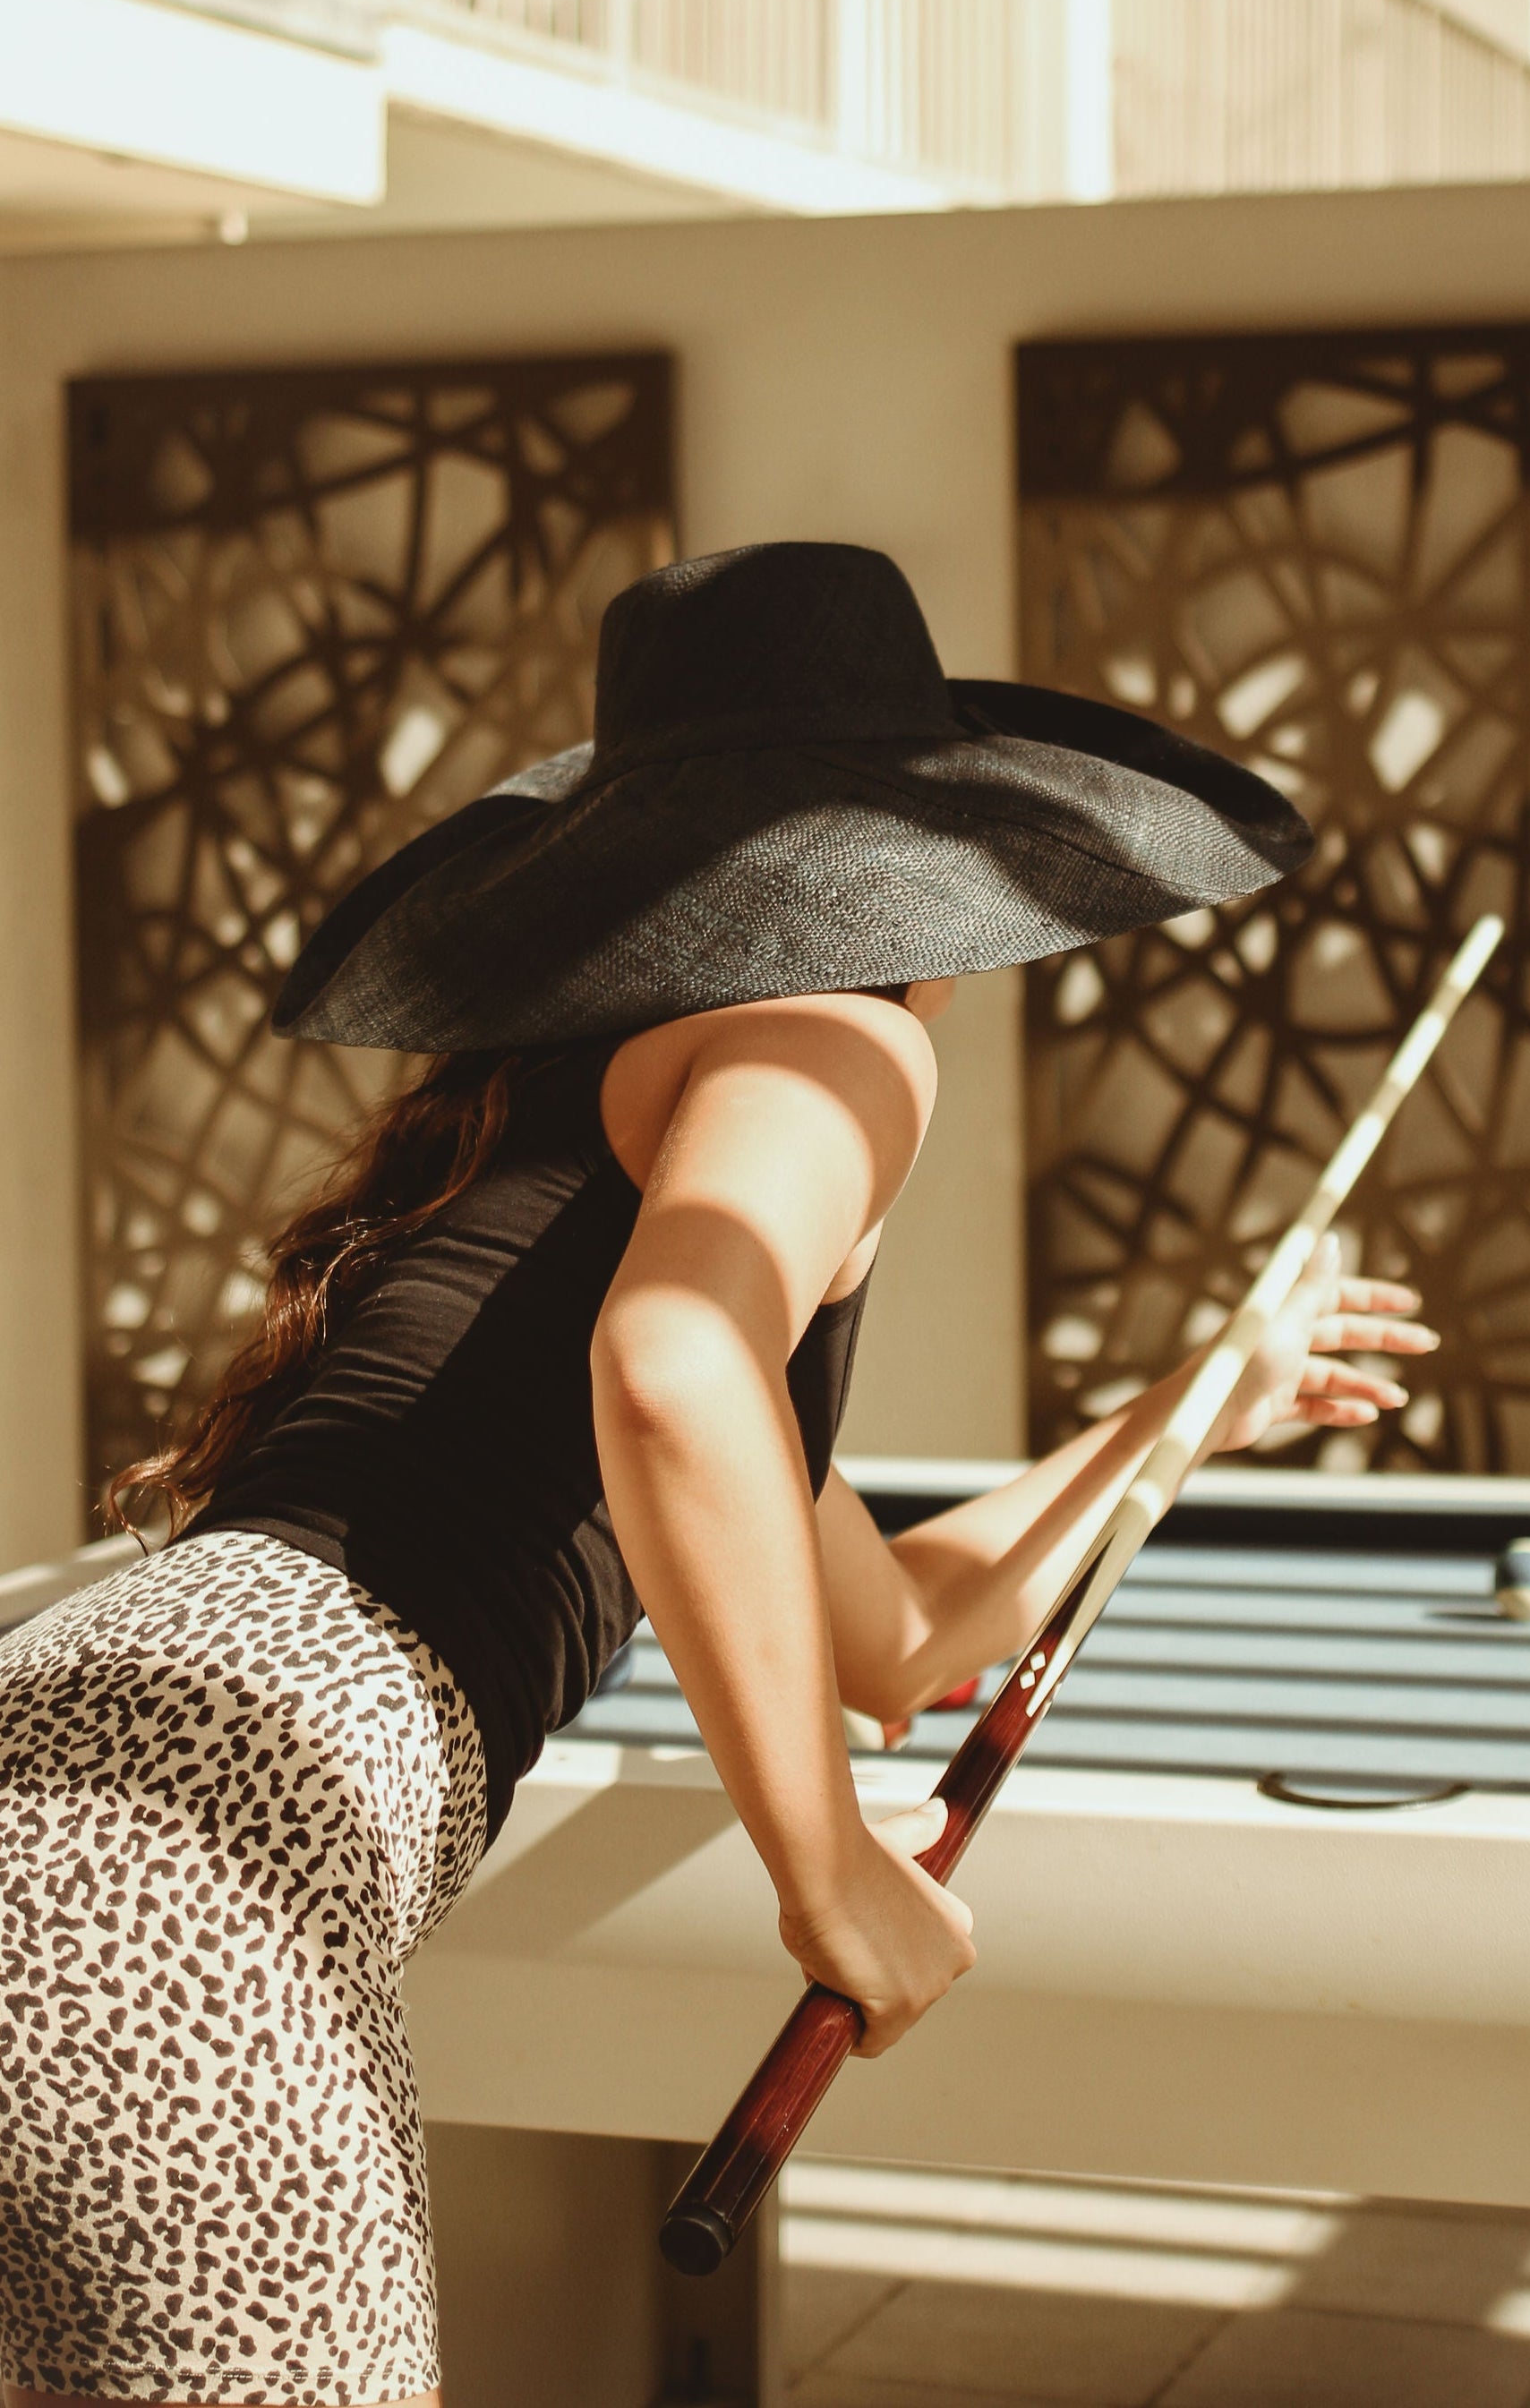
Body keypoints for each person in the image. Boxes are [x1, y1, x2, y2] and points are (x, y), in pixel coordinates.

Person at [0, 543, 1434, 2408]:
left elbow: (888, 1634)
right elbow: (673, 1375)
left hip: (83, 1751)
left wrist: (1189, 1406)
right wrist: (828, 1863)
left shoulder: (549, 1131)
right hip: (176, 1861)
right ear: (939, 853)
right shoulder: (838, 1036)